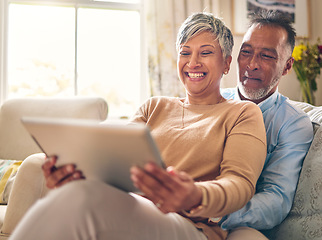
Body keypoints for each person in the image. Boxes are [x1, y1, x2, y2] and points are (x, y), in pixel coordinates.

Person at [9, 13, 266, 240]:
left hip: (189, 226)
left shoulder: (242, 113)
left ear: (226, 62)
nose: (193, 62)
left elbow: (239, 183)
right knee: (71, 196)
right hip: (130, 209)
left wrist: (196, 195)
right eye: (185, 53)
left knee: (82, 202)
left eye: (206, 52)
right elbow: (112, 163)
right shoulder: (153, 107)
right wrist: (73, 176)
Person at [219, 10, 314, 239]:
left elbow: (276, 200)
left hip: (239, 224)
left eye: (267, 56)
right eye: (246, 52)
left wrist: (214, 212)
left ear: (287, 66)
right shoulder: (213, 100)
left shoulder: (293, 124)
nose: (251, 64)